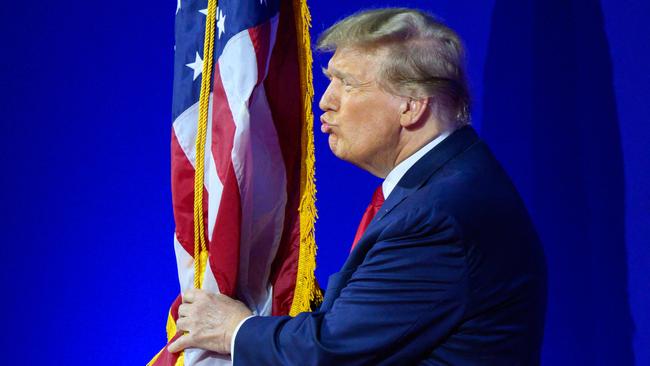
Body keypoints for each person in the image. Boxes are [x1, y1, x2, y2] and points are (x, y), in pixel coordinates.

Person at [168, 8, 547, 365]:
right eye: (330, 79)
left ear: (411, 106)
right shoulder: (447, 180)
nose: (325, 101)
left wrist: (234, 329)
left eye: (346, 84)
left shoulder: (439, 216)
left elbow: (332, 352)